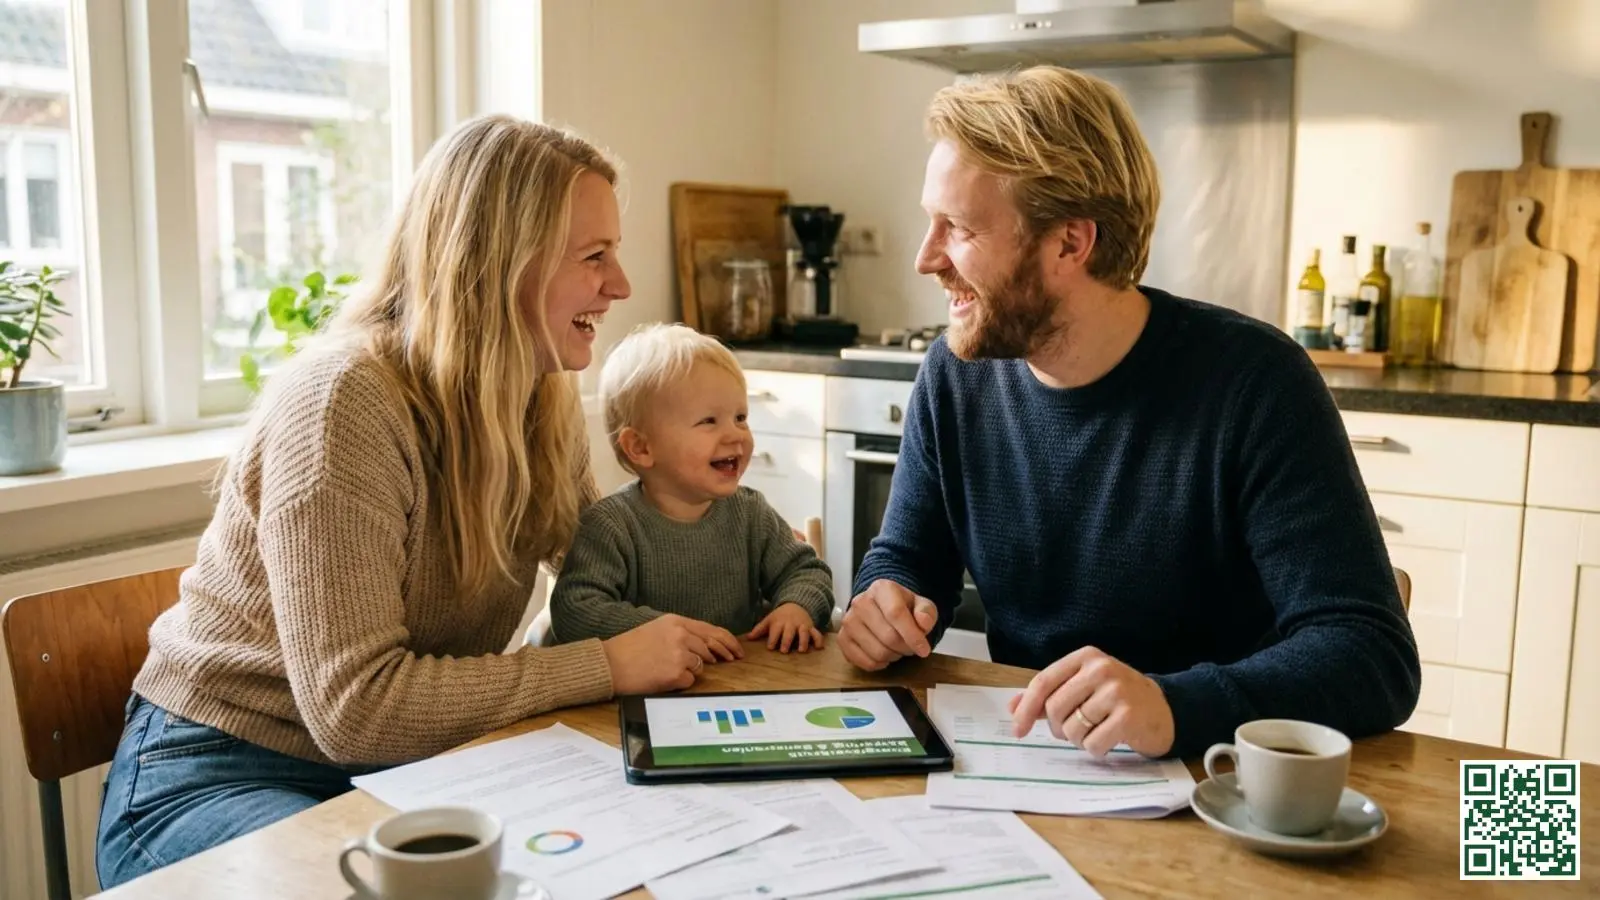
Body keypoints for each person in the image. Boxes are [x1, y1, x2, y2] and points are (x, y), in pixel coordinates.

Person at [95, 115, 727, 887]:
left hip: (409, 771)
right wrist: (602, 664)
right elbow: (355, 708)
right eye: (595, 256)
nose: (621, 285)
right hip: (215, 772)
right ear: (501, 263)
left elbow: (617, 578)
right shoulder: (342, 405)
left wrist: (756, 577)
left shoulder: (539, 403)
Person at [837, 66, 1421, 761]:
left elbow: (1371, 654)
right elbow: (908, 560)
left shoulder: (1255, 383)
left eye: (957, 228)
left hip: (1221, 785)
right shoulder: (955, 376)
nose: (923, 259)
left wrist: (1175, 704)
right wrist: (884, 602)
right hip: (1026, 765)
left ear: (1069, 243)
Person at [548, 323, 834, 653]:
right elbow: (574, 612)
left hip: (741, 684)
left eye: (740, 417)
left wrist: (795, 607)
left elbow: (808, 572)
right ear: (640, 447)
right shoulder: (611, 526)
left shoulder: (752, 513)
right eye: (709, 421)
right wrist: (662, 632)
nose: (736, 435)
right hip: (646, 693)